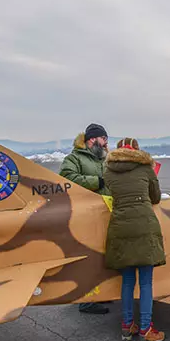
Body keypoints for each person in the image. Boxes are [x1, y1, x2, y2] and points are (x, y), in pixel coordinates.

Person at [103, 137, 166, 341]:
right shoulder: (146, 168)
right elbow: (155, 197)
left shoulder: (108, 171)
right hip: (144, 226)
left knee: (127, 281)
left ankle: (127, 326)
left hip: (120, 227)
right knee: (146, 282)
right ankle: (146, 330)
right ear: (137, 150)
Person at [58, 123, 111, 314]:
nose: (106, 143)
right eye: (103, 139)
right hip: (86, 217)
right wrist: (97, 182)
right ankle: (86, 300)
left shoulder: (104, 159)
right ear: (92, 140)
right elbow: (66, 178)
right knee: (88, 258)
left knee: (105, 256)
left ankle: (103, 292)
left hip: (106, 214)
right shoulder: (74, 158)